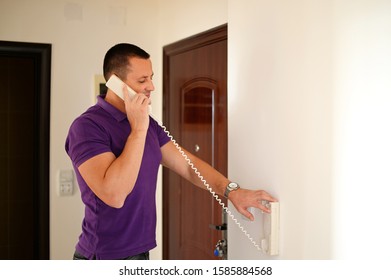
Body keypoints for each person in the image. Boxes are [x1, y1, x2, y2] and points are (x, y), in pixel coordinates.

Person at [65, 43, 277, 260]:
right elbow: (115, 195)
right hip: (103, 256)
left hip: (141, 251)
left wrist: (232, 191)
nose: (151, 86)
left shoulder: (149, 125)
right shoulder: (87, 127)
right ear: (115, 84)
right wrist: (138, 129)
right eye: (142, 80)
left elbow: (187, 166)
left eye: (151, 77)